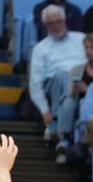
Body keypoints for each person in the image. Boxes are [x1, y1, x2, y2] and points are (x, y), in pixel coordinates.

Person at [29, 5, 86, 135]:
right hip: (54, 84)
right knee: (61, 75)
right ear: (45, 25)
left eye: (59, 22)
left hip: (80, 81)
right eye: (51, 23)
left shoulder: (81, 39)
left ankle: (56, 126)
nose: (56, 26)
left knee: (72, 81)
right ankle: (55, 119)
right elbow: (35, 84)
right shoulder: (40, 48)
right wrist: (45, 111)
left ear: (65, 20)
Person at [56, 31, 93, 160]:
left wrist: (88, 90)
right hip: (77, 103)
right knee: (68, 101)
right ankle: (65, 139)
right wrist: (74, 90)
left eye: (92, 48)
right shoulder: (76, 69)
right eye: (86, 48)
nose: (88, 51)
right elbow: (68, 92)